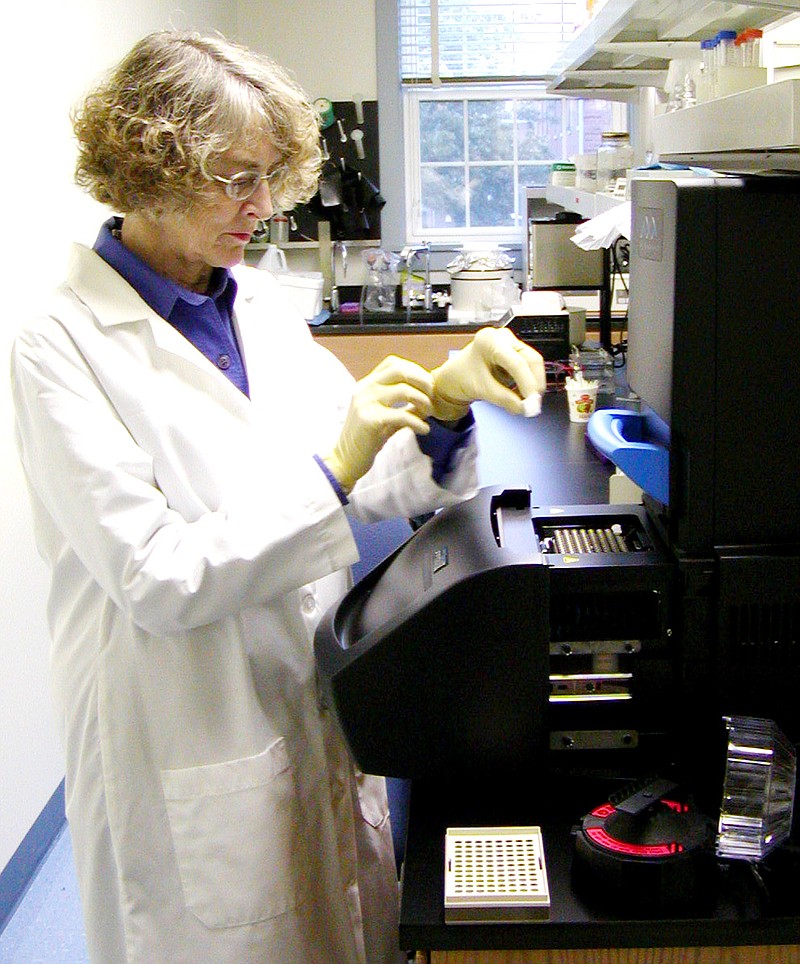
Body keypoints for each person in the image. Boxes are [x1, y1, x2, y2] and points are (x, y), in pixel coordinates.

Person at [10, 30, 545, 964]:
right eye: (233, 178)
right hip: (184, 718)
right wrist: (332, 471)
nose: (262, 206)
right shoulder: (59, 343)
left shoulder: (253, 299)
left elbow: (370, 480)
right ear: (146, 167)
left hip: (310, 686)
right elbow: (158, 577)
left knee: (340, 920)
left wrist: (446, 404)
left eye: (269, 176)